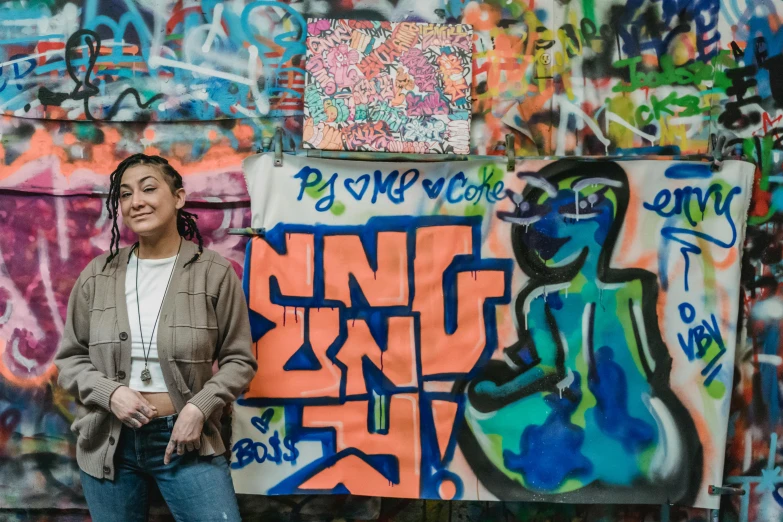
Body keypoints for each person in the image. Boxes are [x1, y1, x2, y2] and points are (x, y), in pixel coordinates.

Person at [54, 154, 257, 522]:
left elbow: (240, 360)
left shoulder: (214, 273)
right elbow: (70, 359)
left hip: (187, 439)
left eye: (149, 188)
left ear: (178, 197)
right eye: (125, 194)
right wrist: (110, 393)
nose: (136, 201)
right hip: (108, 441)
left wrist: (199, 406)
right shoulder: (98, 275)